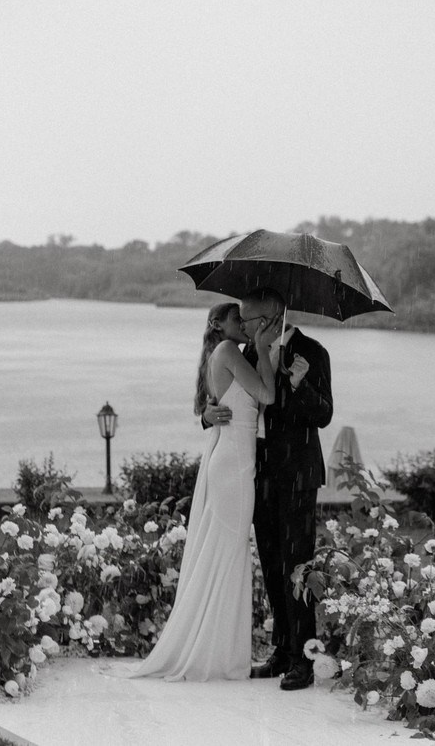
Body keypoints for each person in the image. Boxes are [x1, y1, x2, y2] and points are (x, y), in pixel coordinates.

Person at [132, 302, 280, 681]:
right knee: (228, 552)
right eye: (239, 319)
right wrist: (263, 348)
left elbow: (231, 401)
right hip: (233, 464)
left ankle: (219, 649)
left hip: (233, 459)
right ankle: (214, 652)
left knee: (227, 553)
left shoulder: (224, 352)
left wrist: (261, 349)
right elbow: (267, 396)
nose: (245, 324)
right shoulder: (229, 351)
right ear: (221, 324)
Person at [204, 288, 333, 691]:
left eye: (248, 320)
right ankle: (280, 651)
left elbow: (324, 413)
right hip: (255, 476)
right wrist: (208, 416)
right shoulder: (245, 353)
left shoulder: (312, 352)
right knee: (274, 567)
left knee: (298, 568)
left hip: (296, 476)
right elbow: (228, 402)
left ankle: (304, 659)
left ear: (271, 319)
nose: (242, 327)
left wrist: (298, 384)